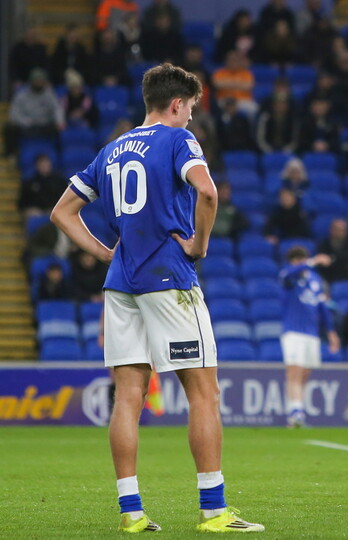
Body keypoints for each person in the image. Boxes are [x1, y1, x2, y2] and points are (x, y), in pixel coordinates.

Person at [49, 63, 263, 533]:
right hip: (169, 277)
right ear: (176, 104)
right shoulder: (177, 139)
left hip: (121, 283)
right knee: (203, 393)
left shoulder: (111, 149)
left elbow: (61, 213)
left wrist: (105, 253)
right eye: (191, 109)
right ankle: (213, 510)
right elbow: (207, 193)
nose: (191, 117)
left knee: (128, 396)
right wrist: (200, 245)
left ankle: (131, 512)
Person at [279, 246, 340, 428]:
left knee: (305, 373)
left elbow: (322, 308)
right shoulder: (289, 277)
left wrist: (331, 332)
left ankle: (295, 410)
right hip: (293, 331)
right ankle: (296, 412)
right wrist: (313, 261)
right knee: (294, 371)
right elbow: (287, 275)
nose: (301, 263)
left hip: (312, 333)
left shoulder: (315, 279)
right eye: (298, 260)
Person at [4, 69, 63, 157]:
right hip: (27, 127)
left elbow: (57, 109)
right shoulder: (21, 95)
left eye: (41, 81)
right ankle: (11, 154)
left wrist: (59, 121)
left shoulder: (49, 94)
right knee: (9, 127)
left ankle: (59, 155)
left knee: (61, 129)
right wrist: (26, 122)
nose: (39, 83)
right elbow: (14, 113)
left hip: (44, 126)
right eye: (37, 81)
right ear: (31, 81)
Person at [19, 154, 67, 218]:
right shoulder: (29, 183)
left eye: (46, 163)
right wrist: (29, 210)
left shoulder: (60, 181)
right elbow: (22, 204)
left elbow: (66, 201)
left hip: (56, 214)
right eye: (42, 164)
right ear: (37, 166)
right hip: (36, 215)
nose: (44, 166)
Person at [212, 50, 257, 116]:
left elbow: (249, 86)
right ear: (226, 61)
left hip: (242, 100)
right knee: (216, 106)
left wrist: (227, 84)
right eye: (231, 60)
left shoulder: (246, 73)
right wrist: (238, 84)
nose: (233, 62)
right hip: (224, 99)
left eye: (236, 60)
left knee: (253, 108)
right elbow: (217, 84)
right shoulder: (220, 72)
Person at [314, 218, 348, 283]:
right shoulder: (324, 244)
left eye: (344, 230)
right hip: (328, 276)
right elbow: (321, 259)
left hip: (347, 276)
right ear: (331, 230)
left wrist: (332, 258)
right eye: (338, 230)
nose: (342, 233)